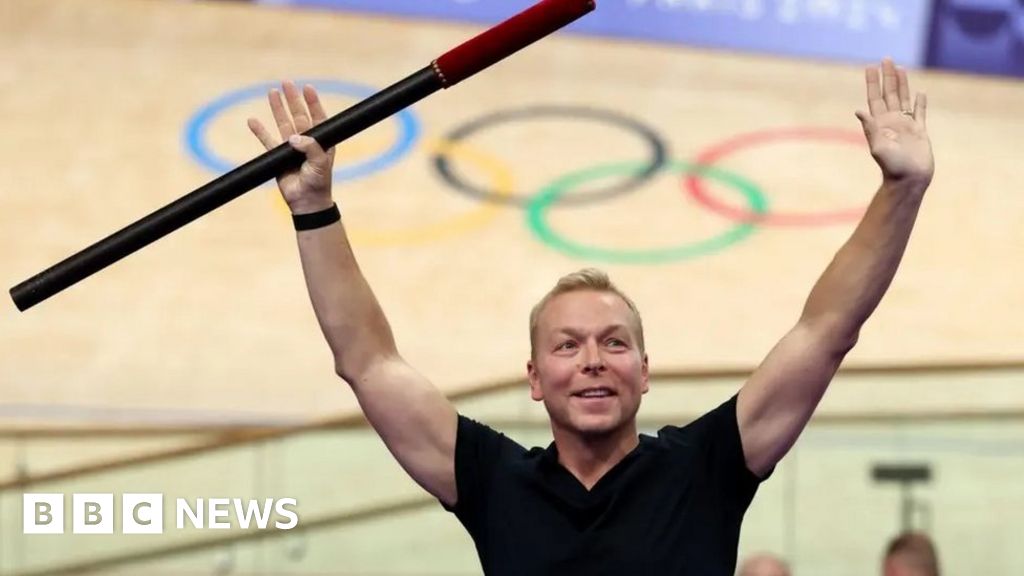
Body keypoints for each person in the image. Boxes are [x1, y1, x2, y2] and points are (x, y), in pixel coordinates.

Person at [246, 58, 934, 575]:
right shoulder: (493, 482)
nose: (594, 360)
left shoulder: (706, 469)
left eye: (614, 342)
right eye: (568, 346)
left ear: (644, 372)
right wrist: (313, 209)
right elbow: (367, 362)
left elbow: (825, 331)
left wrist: (901, 189)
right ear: (536, 378)